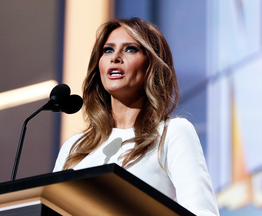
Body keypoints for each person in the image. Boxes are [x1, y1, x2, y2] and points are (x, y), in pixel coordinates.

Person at [53, 18, 220, 216]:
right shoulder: (74, 147)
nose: (115, 57)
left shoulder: (171, 133)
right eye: (108, 50)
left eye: (130, 49)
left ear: (152, 65)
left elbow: (202, 212)